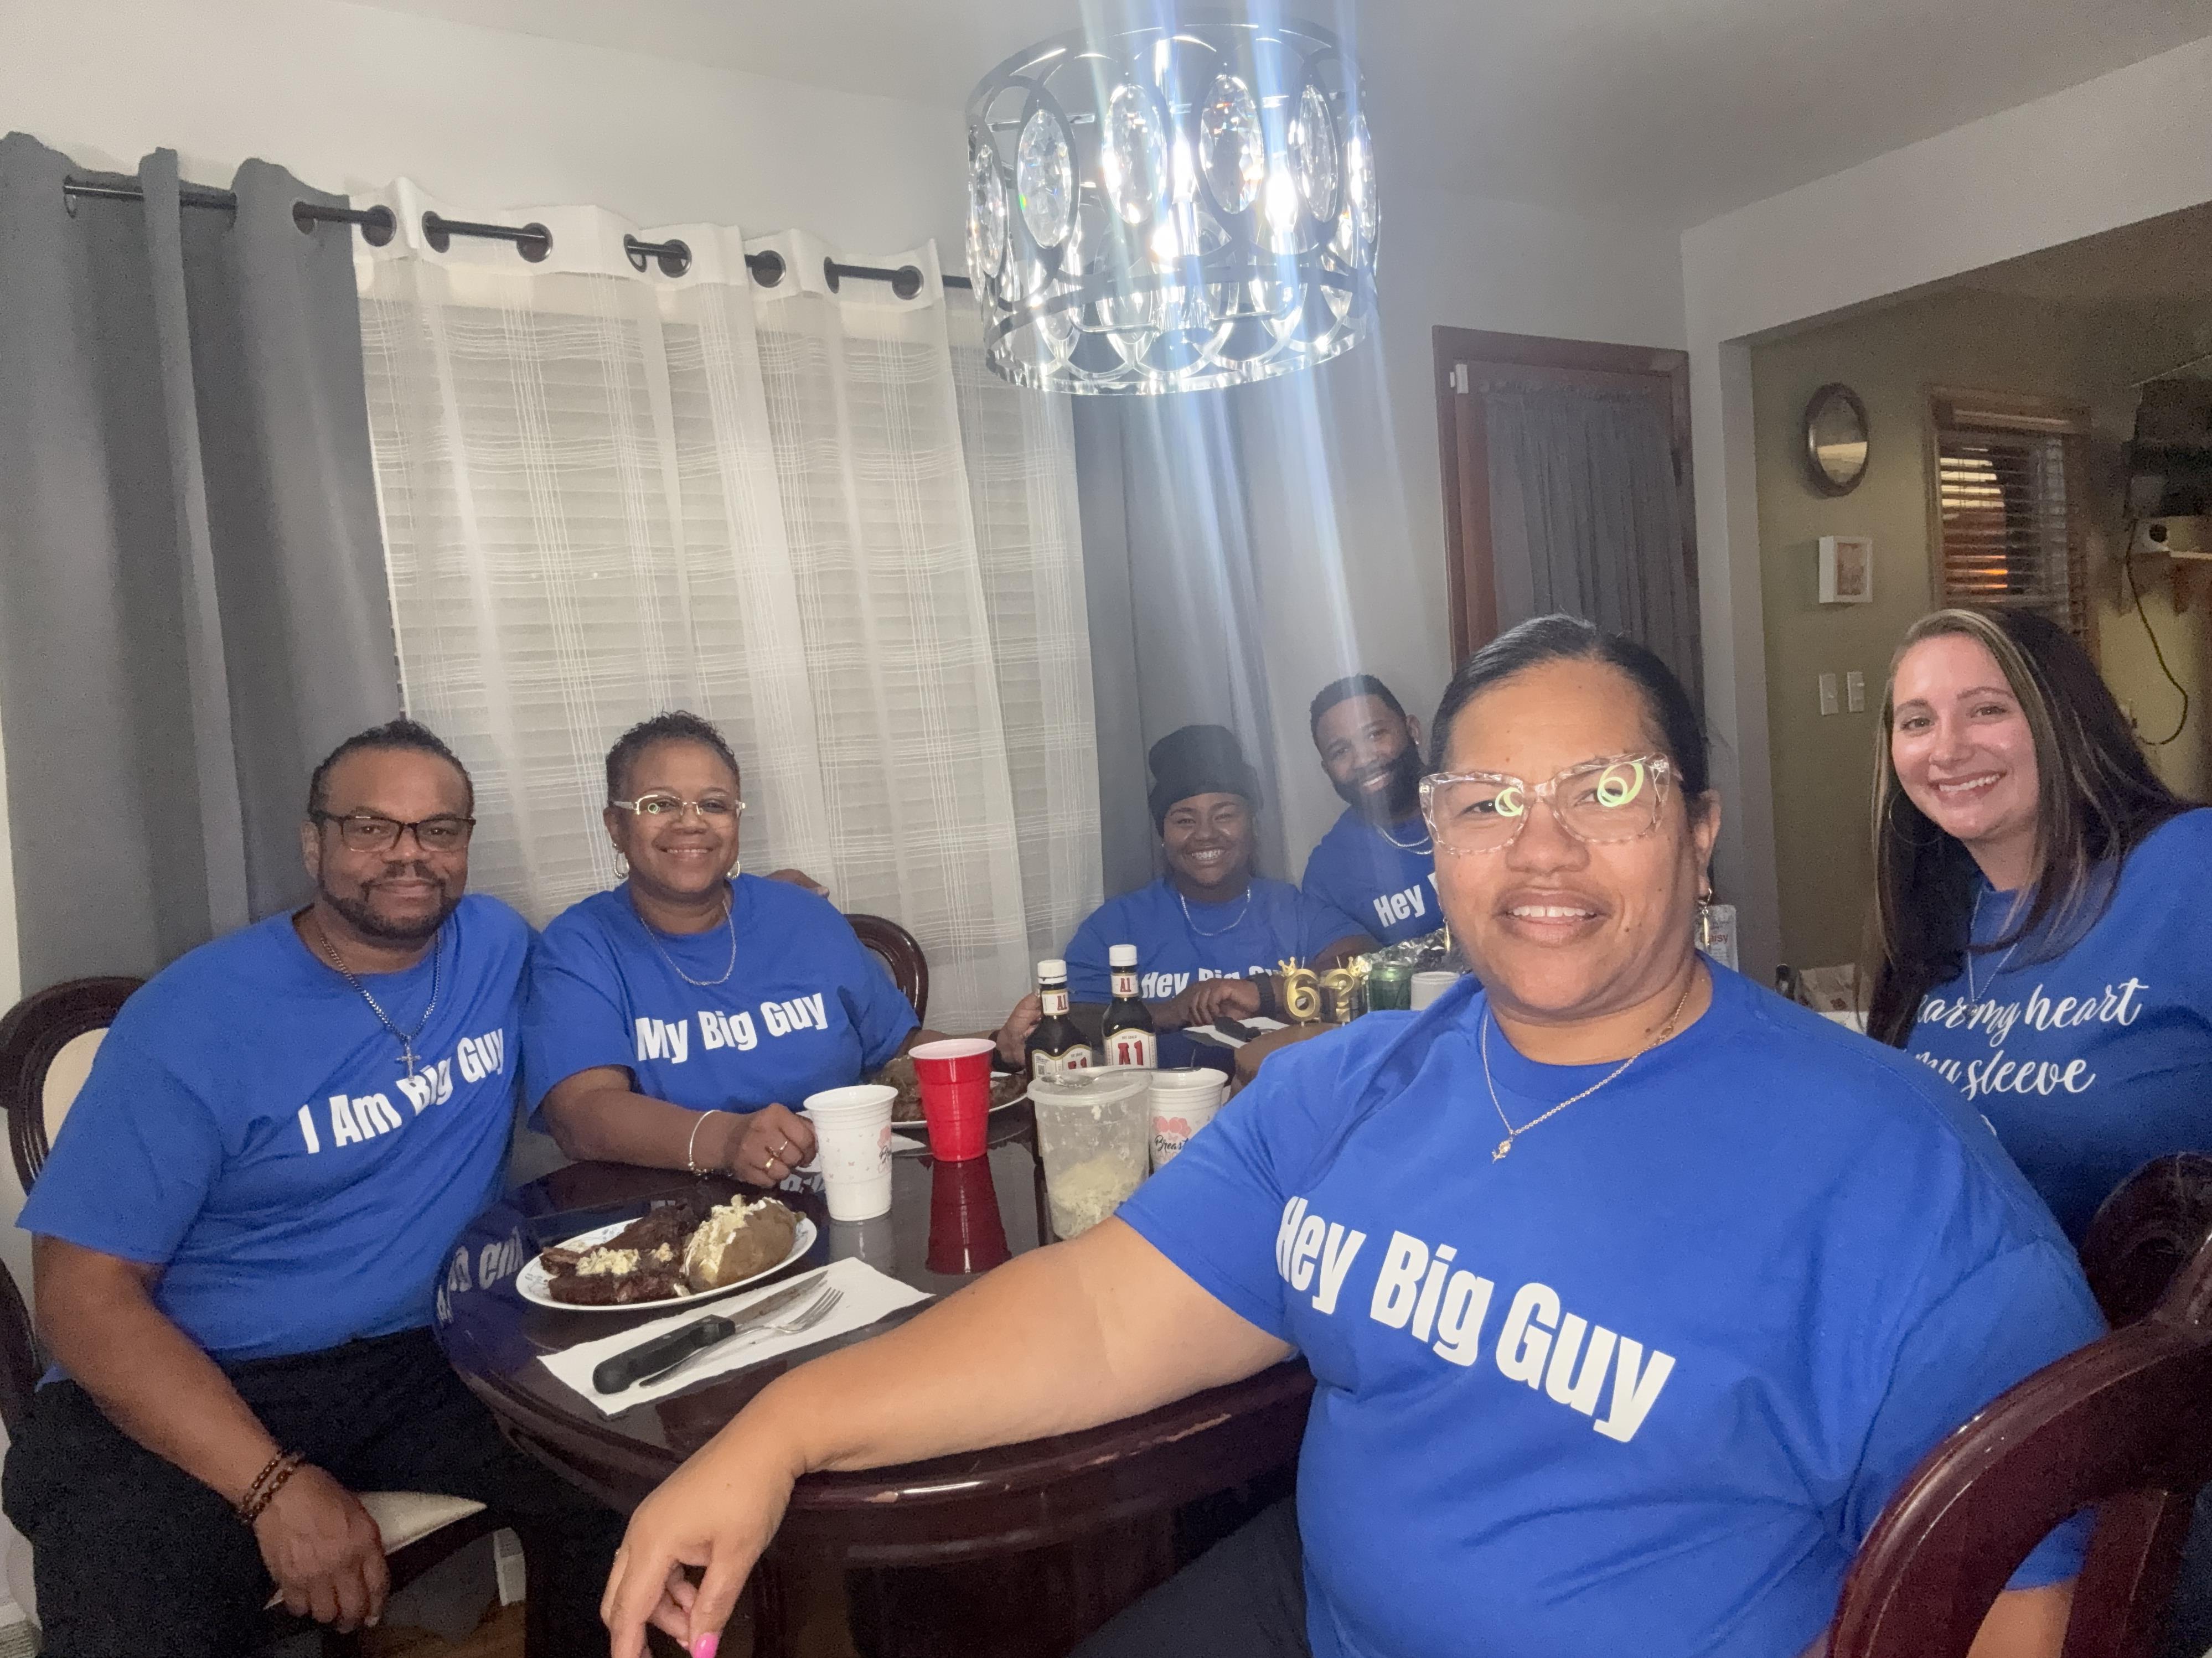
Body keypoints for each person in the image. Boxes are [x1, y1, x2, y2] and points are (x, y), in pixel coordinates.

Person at [601, 616, 2101, 1658]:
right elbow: (1097, 1313)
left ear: (1699, 827)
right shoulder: (1346, 1087)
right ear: (1433, 843)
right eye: (1487, 802)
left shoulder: (1894, 1171)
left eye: (1606, 791)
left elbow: (2023, 1593)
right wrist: (776, 1426)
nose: (1543, 846)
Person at [2, 720, 619, 1657]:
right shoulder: (194, 1020)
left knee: (625, 1478)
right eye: (373, 826)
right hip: (194, 1376)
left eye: (439, 829)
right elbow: (82, 1299)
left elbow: (620, 969)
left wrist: (761, 909)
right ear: (314, 842)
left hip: (428, 1353)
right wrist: (270, 1485)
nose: (409, 853)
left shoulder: (495, 945)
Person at [1867, 607, 2210, 1244]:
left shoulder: (2191, 864)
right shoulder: (1930, 919)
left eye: (1988, 709)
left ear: (2065, 719)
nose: (1947, 748)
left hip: (2150, 1335)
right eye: (1918, 721)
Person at [525, 711, 971, 1188]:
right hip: (673, 1221)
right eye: (659, 805)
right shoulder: (581, 944)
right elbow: (581, 1115)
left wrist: (999, 1055)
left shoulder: (804, 917)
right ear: (616, 825)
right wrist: (728, 1140)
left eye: (714, 805)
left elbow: (899, 1049)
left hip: (845, 1191)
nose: (691, 823)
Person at [1034, 724, 1369, 1046]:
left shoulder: (1291, 910)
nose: (1206, 834)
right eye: (1184, 820)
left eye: (1224, 815)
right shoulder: (1117, 924)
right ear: (1162, 836)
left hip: (1271, 1093)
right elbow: (1069, 1017)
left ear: (1251, 824)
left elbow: (1366, 966)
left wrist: (1267, 991)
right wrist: (1165, 1012)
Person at [1299, 675, 1438, 945]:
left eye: (1375, 735)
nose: (1363, 760)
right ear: (1328, 771)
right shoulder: (1329, 873)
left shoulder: (1479, 801)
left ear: (1413, 730)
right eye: (1341, 751)